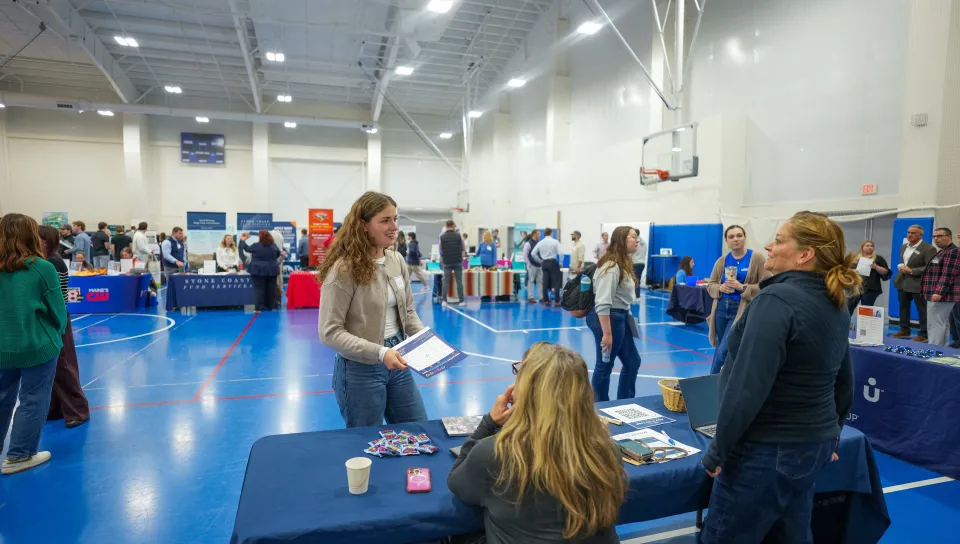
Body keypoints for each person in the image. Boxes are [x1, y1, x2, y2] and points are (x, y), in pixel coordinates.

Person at [700, 212, 858, 543]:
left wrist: (718, 450)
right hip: (811, 446)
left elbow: (748, 386)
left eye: (779, 240)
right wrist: (832, 434)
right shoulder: (835, 302)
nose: (769, 246)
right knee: (790, 533)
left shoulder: (775, 300)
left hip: (766, 449)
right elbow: (844, 380)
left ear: (805, 255)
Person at [448, 343, 625, 544]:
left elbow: (457, 484)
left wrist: (489, 423)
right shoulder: (608, 451)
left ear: (524, 391)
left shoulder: (494, 454)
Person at [317, 191, 428, 427]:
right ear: (364, 226)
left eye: (395, 219)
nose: (394, 227)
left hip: (398, 359)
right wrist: (380, 352)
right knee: (365, 439)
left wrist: (424, 340)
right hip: (360, 370)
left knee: (417, 429)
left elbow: (408, 311)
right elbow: (330, 331)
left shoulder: (396, 260)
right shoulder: (344, 269)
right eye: (385, 220)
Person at [0, 213, 68, 474]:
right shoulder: (42, 268)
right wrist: (58, 333)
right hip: (37, 345)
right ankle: (19, 455)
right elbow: (57, 310)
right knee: (33, 399)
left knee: (2, 397)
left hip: (3, 346)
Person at [37, 225, 89, 428]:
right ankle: (56, 408)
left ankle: (78, 410)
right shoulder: (46, 261)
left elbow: (57, 297)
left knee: (63, 365)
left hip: (56, 320)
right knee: (51, 366)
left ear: (45, 241)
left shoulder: (53, 263)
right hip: (48, 320)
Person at [586, 226, 643, 401]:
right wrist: (607, 334)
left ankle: (625, 402)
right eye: (633, 237)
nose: (637, 240)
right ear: (622, 240)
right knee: (604, 365)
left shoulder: (623, 262)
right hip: (608, 318)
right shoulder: (611, 266)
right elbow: (602, 302)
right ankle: (599, 407)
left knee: (632, 362)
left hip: (620, 317)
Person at [706, 225, 767, 374]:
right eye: (731, 237)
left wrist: (743, 287)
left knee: (724, 350)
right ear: (726, 240)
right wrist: (720, 288)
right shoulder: (722, 261)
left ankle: (712, 382)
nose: (736, 239)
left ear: (745, 237)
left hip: (741, 309)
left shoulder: (756, 258)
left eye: (739, 235)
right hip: (721, 309)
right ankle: (721, 380)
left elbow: (766, 285)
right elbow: (711, 285)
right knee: (721, 348)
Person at [892, 225, 938, 342]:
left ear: (920, 235)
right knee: (903, 307)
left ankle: (924, 333)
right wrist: (902, 267)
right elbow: (904, 262)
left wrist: (912, 271)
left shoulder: (928, 248)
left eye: (913, 233)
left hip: (918, 283)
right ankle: (904, 329)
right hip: (903, 281)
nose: (910, 235)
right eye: (908, 232)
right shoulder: (904, 246)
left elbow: (930, 267)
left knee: (922, 309)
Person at [920, 227, 960, 346]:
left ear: (949, 237)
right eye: (934, 236)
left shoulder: (953, 251)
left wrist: (939, 292)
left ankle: (933, 350)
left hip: (942, 295)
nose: (936, 239)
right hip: (939, 293)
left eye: (940, 236)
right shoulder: (943, 251)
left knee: (935, 324)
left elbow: (948, 274)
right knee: (942, 323)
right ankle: (942, 349)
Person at [239, 230, 282, 311]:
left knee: (259, 289)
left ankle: (258, 308)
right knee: (271, 289)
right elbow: (278, 254)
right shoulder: (274, 246)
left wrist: (242, 240)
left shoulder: (256, 245)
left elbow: (246, 248)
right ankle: (271, 306)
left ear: (260, 237)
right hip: (272, 270)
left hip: (258, 270)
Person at [847, 240, 891, 315]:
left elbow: (885, 272)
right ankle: (846, 321)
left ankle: (864, 323)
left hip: (870, 288)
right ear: (862, 247)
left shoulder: (878, 258)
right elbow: (846, 270)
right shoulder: (855, 258)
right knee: (848, 307)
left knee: (866, 310)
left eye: (872, 246)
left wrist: (876, 267)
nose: (870, 247)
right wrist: (852, 271)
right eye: (867, 246)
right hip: (855, 286)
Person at [532, 227, 563, 306]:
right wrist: (560, 262)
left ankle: (546, 300)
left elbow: (533, 253)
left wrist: (540, 261)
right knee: (556, 282)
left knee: (545, 282)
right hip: (553, 262)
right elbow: (561, 253)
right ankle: (556, 301)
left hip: (544, 263)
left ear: (544, 234)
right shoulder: (555, 242)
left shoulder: (540, 242)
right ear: (551, 233)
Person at [440, 220, 465, 305]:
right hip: (457, 261)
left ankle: (444, 300)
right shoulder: (458, 236)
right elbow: (463, 248)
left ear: (446, 226)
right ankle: (461, 300)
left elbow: (440, 250)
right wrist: (461, 258)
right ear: (453, 225)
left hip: (447, 261)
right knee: (459, 281)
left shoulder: (442, 237)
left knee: (445, 281)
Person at [523, 230, 543, 303]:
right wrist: (528, 264)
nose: (540, 235)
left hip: (539, 265)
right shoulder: (528, 244)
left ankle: (541, 297)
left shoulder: (539, 243)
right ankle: (530, 297)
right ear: (534, 234)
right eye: (538, 234)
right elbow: (524, 255)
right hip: (532, 265)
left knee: (540, 282)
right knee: (531, 281)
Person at [632, 228, 647, 296]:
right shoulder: (644, 243)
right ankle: (637, 295)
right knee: (638, 279)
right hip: (642, 263)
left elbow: (631, 252)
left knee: (635, 280)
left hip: (635, 263)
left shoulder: (635, 243)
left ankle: (636, 295)